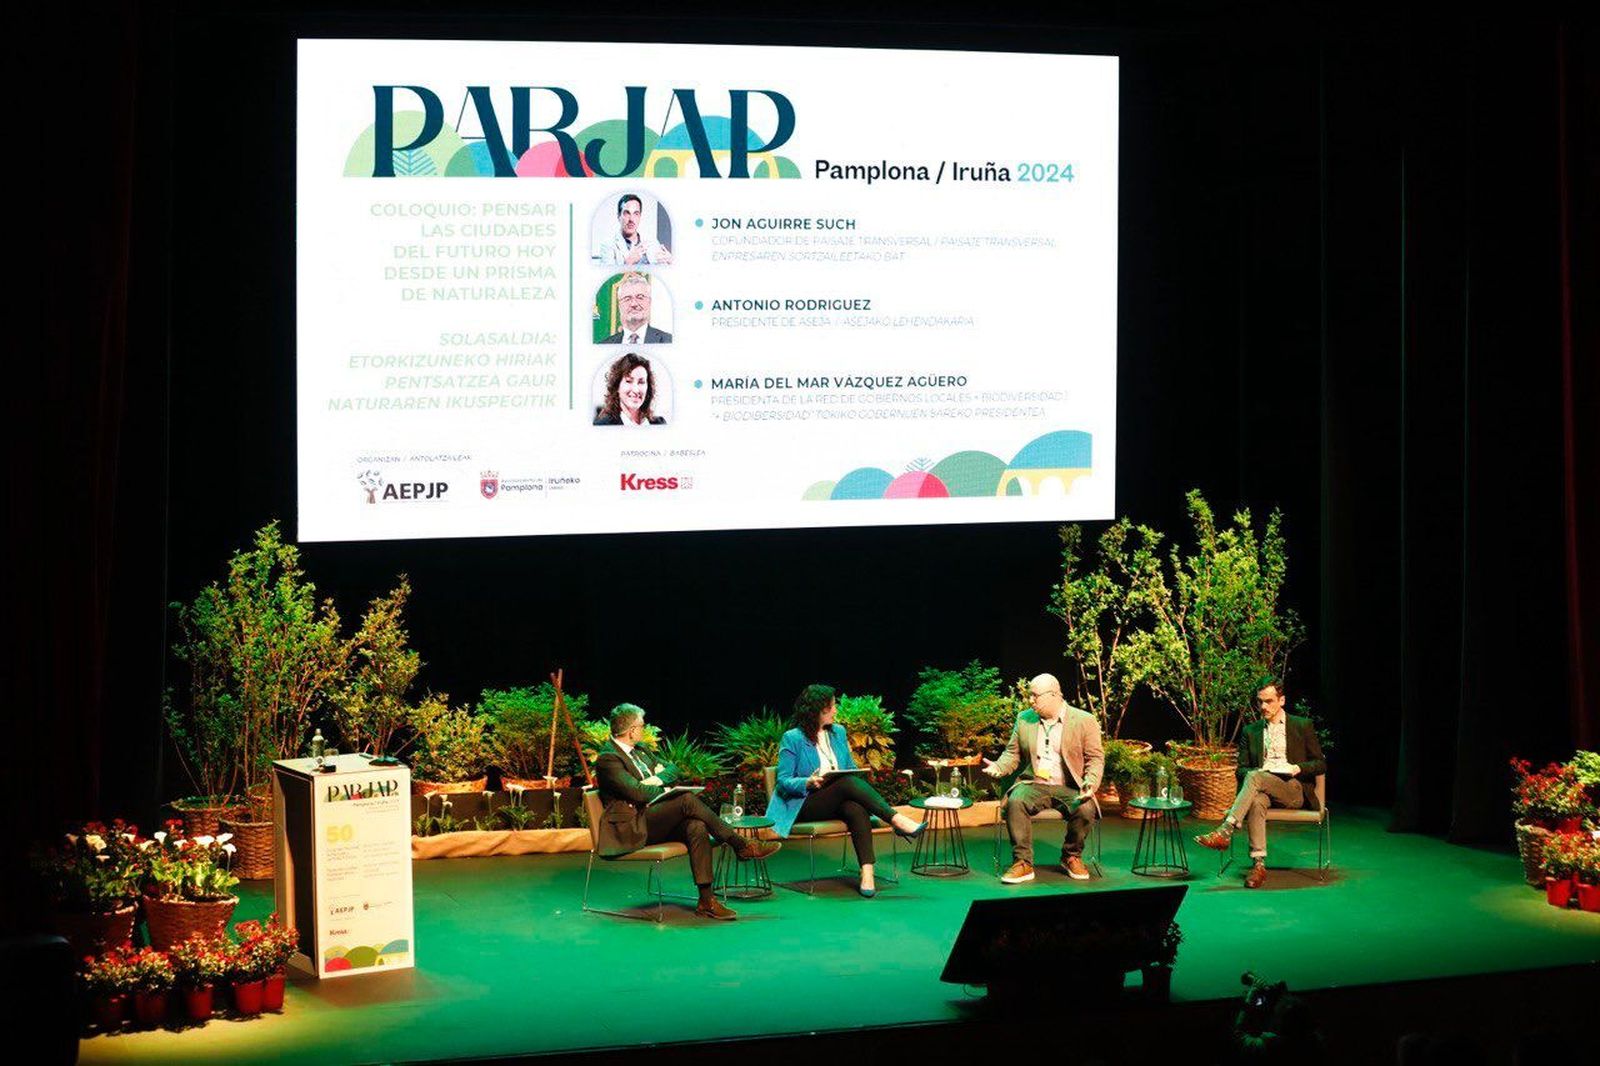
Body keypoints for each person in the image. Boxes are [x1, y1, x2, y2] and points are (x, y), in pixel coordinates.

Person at [594, 703, 779, 920]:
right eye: (642, 726)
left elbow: (674, 770)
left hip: (653, 818)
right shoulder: (608, 759)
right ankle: (741, 845)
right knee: (686, 800)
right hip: (631, 826)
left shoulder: (641, 751)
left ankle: (707, 901)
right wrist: (658, 787)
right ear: (632, 731)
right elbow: (638, 793)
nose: (643, 730)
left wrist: (655, 779)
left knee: (696, 826)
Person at [769, 684, 926, 896]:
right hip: (804, 803)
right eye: (832, 706)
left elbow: (849, 768)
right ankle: (897, 820)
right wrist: (807, 782)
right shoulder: (793, 737)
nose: (835, 710)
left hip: (837, 797)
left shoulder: (838, 732)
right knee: (847, 783)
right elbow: (783, 781)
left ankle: (867, 873)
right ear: (817, 710)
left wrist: (858, 773)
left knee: (854, 807)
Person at [1193, 680, 1327, 888]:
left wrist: (1297, 768)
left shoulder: (1302, 726)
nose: (1263, 706)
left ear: (1282, 701)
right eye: (1260, 702)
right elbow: (1241, 770)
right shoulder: (1250, 731)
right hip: (1264, 787)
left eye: (1269, 701)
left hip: (1292, 789)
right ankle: (1258, 866)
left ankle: (1226, 830)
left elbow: (1320, 764)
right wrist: (1261, 773)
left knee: (1255, 777)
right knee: (1256, 799)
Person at [981, 673, 1103, 884]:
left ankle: (1071, 855)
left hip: (1069, 786)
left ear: (1054, 695)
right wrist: (999, 767)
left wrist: (1090, 782)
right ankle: (1023, 862)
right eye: (1030, 695)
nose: (1031, 700)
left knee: (1086, 808)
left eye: (1035, 696)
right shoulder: (1025, 719)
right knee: (1016, 800)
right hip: (1035, 784)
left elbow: (1095, 758)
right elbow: (1012, 753)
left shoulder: (1084, 720)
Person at [599, 193, 673, 266]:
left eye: (636, 214)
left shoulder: (652, 242)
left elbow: (661, 269)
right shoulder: (608, 245)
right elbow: (607, 273)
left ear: (640, 217)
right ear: (619, 216)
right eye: (627, 213)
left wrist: (670, 263)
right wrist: (628, 262)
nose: (631, 219)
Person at [593, 352, 666, 426]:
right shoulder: (602, 426)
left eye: (641, 382)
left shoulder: (660, 424)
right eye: (629, 381)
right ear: (617, 386)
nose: (636, 390)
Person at [599, 272, 672, 344]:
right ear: (619, 305)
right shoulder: (604, 345)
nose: (634, 304)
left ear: (649, 302)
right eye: (627, 299)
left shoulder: (669, 341)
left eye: (640, 297)